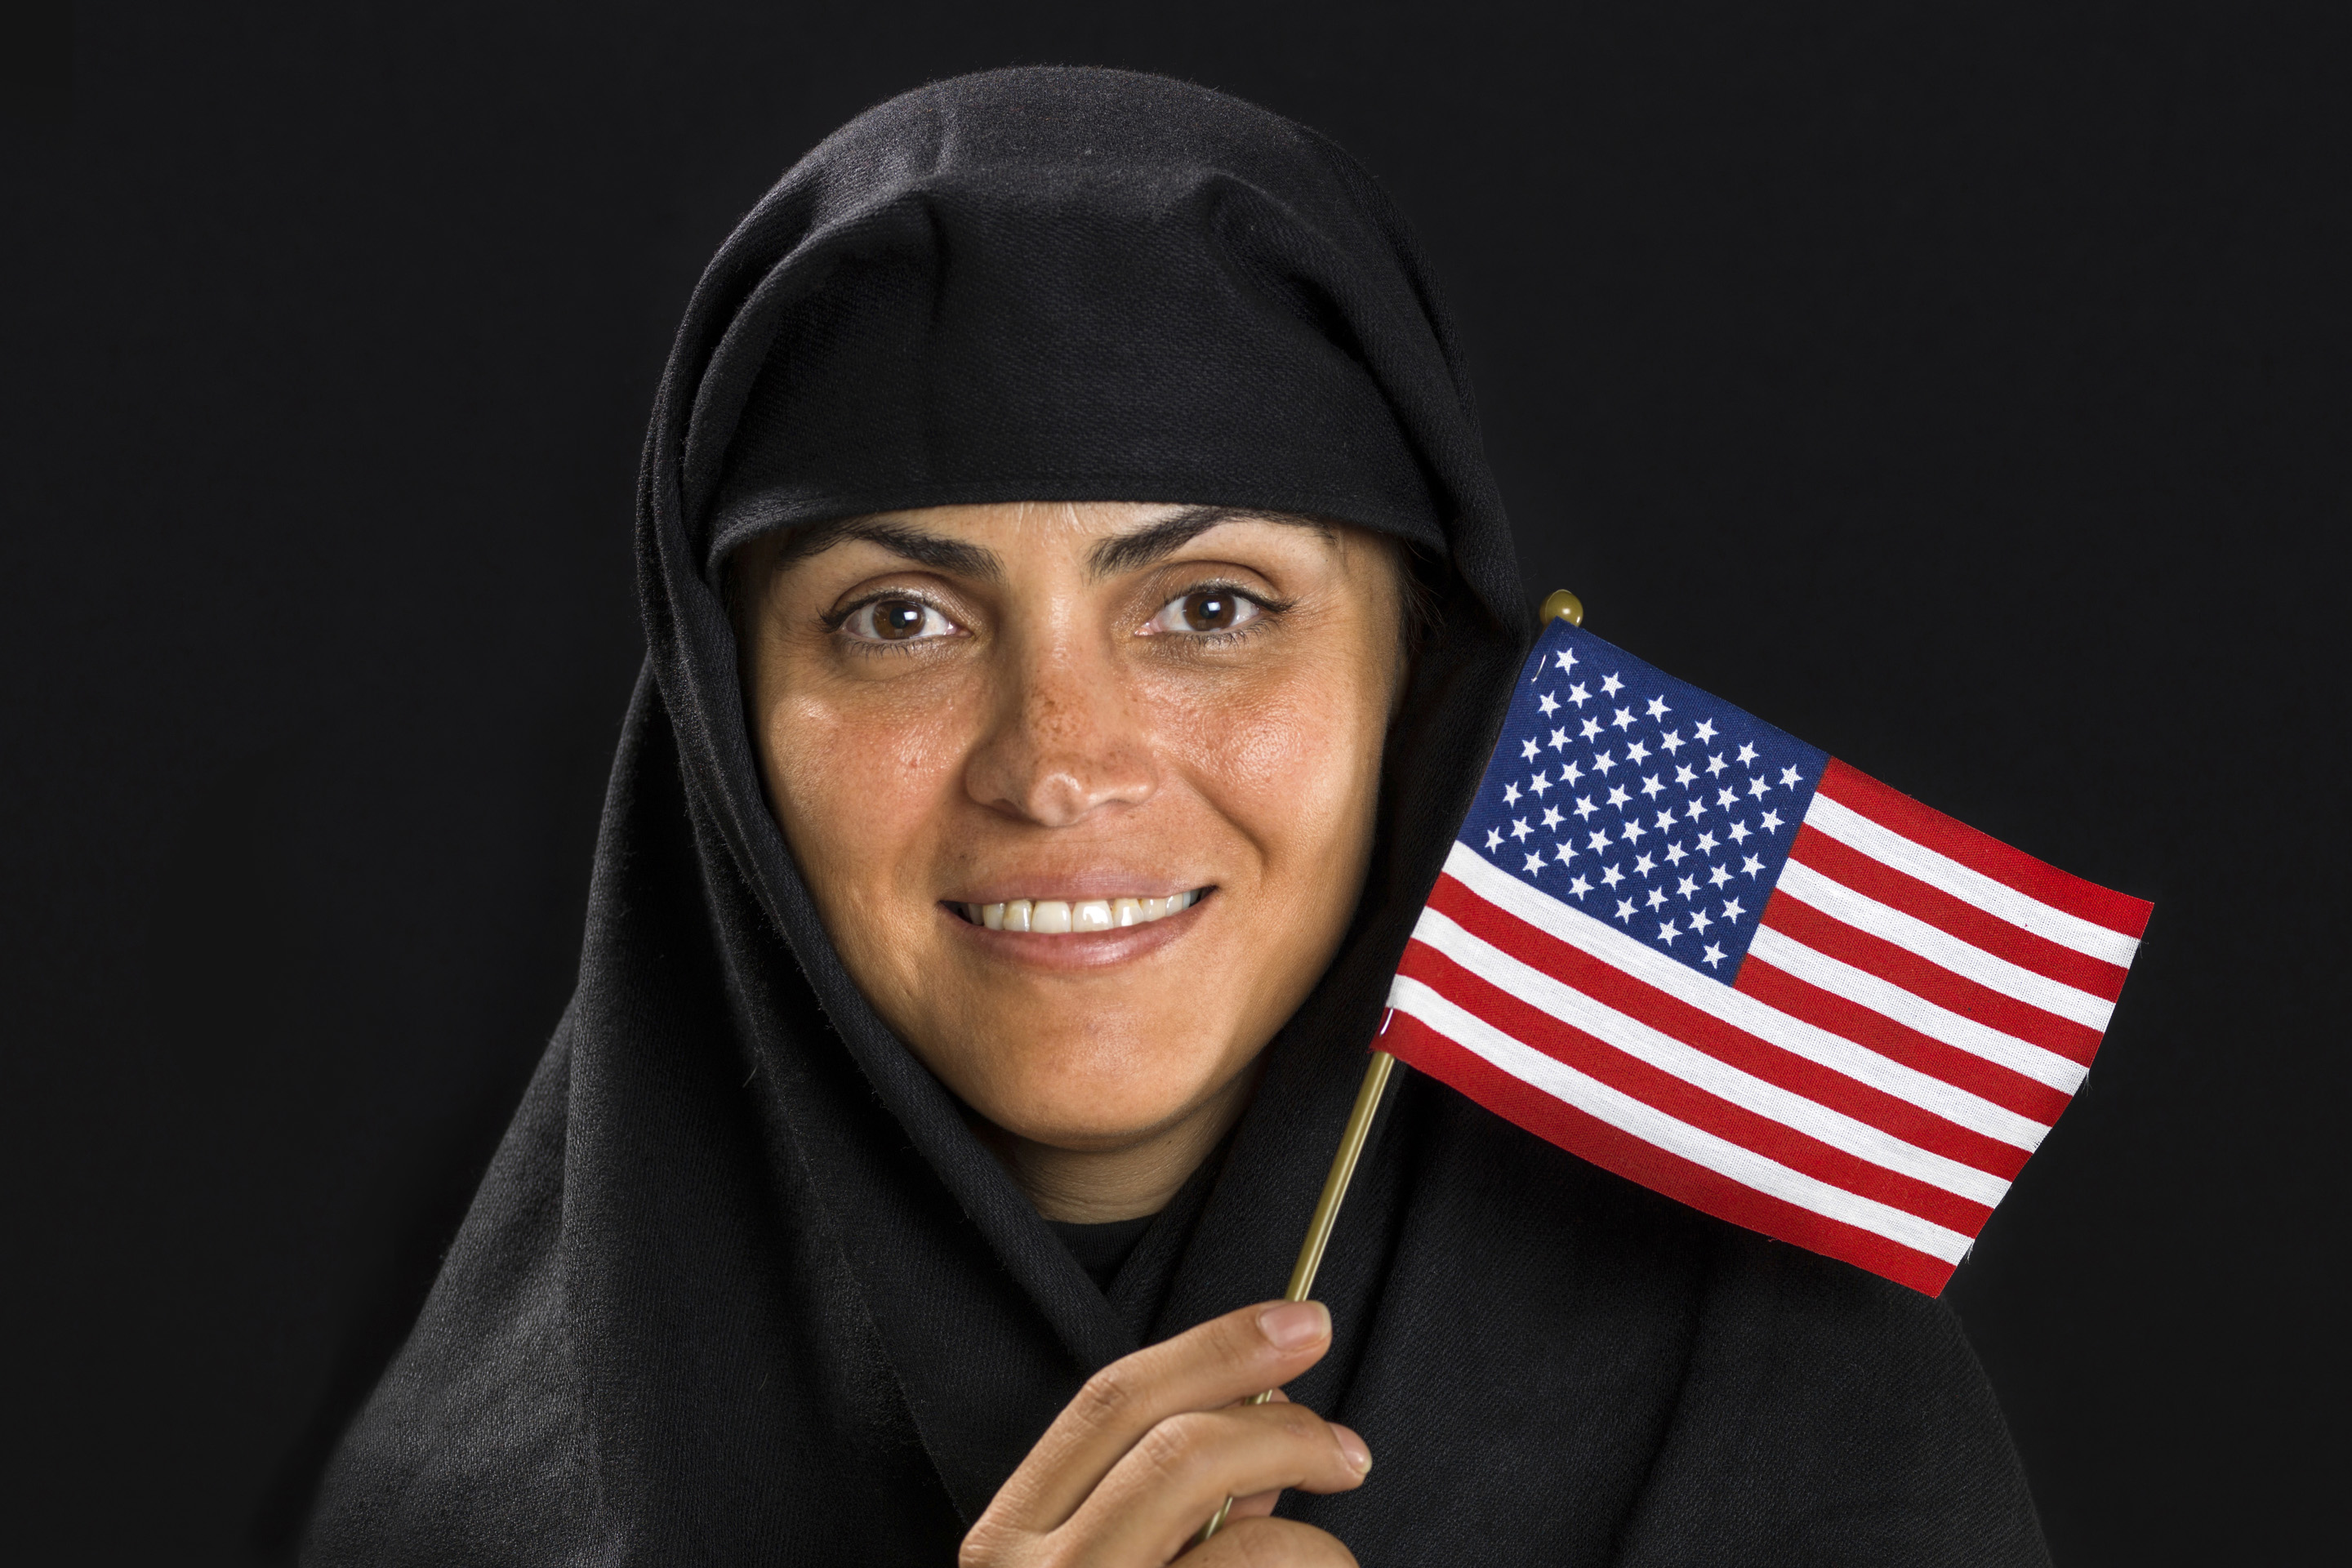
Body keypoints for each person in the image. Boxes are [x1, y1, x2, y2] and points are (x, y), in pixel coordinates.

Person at [305, 67, 2050, 1566]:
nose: (1057, 762)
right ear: (723, 720)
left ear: (1416, 686)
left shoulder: (1784, 1413)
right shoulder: (475, 1514)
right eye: (899, 618)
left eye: (1211, 608)